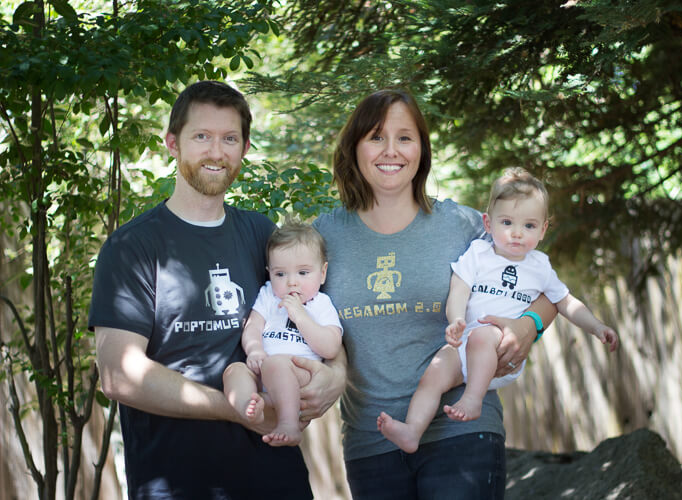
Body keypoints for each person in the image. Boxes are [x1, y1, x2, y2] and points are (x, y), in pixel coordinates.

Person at [312, 89, 558, 499]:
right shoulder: (324, 236)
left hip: (462, 431)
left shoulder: (461, 225)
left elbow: (548, 291)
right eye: (375, 136)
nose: (391, 150)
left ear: (422, 150)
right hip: (372, 441)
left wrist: (528, 326)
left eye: (405, 137)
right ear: (353, 147)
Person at [89, 81, 317, 499]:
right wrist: (238, 411)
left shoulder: (261, 234)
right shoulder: (133, 248)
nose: (217, 152)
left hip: (276, 476)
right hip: (177, 482)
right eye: (202, 137)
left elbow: (318, 319)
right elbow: (119, 375)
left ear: (245, 148)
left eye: (229, 138)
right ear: (173, 143)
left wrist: (333, 380)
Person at [377, 167, 619, 453]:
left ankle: (472, 398)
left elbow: (565, 302)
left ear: (542, 230)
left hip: (501, 353)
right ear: (488, 223)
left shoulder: (539, 267)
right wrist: (455, 319)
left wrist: (596, 326)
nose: (517, 233)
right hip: (464, 345)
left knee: (484, 335)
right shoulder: (478, 254)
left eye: (529, 226)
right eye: (507, 222)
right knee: (434, 374)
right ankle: (412, 431)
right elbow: (459, 289)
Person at [223, 221, 343, 447]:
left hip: (299, 373)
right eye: (280, 274)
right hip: (264, 371)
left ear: (322, 273)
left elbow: (330, 347)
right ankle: (250, 408)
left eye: (303, 272)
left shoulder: (320, 304)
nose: (291, 282)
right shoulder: (269, 295)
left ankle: (289, 425)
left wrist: (300, 316)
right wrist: (255, 349)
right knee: (234, 370)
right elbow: (253, 326)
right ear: (269, 273)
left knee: (276, 365)